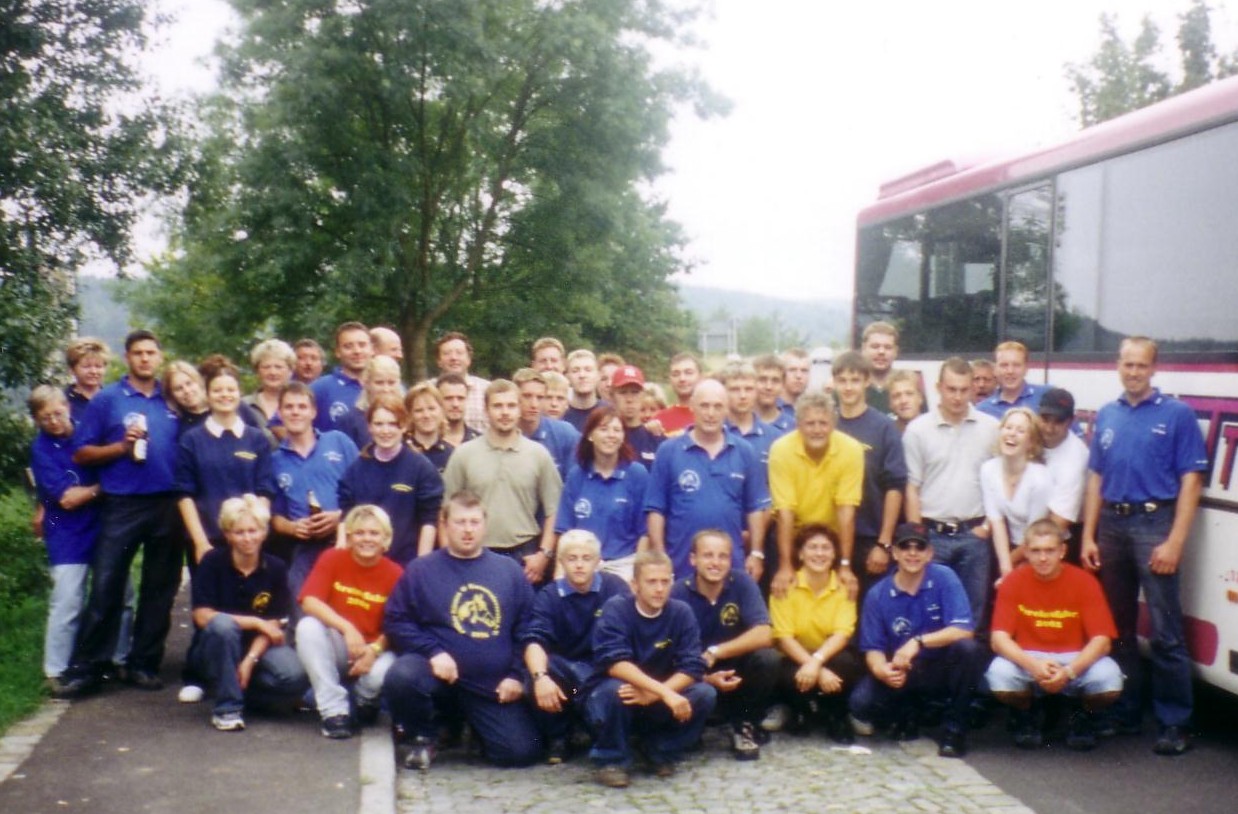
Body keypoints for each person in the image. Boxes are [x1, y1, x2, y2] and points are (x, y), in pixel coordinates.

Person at [1080, 336, 1207, 756]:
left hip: (1155, 524)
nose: (1133, 372)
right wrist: (1089, 534)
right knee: (1117, 628)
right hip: (1112, 526)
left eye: (1141, 365)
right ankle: (1126, 711)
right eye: (1128, 364)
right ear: (1118, 365)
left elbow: (1191, 480)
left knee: (1166, 632)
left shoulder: (1177, 415)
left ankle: (1175, 722)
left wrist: (1175, 541)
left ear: (1154, 368)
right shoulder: (1108, 414)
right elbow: (1096, 478)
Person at [56, 330, 184, 697]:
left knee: (159, 588)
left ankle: (142, 663)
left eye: (150, 352)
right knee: (107, 585)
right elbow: (82, 453)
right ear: (128, 358)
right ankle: (89, 668)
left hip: (167, 502)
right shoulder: (108, 399)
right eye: (138, 353)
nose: (145, 358)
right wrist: (120, 447)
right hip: (122, 502)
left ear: (159, 357)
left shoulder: (171, 397)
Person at [382, 491, 542, 770]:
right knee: (402, 676)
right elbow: (396, 620)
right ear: (445, 524)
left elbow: (528, 627)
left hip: (490, 685)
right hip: (437, 676)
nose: (468, 530)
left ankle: (476, 729)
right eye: (460, 522)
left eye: (474, 522)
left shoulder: (509, 571)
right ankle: (424, 736)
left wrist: (516, 675)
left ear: (484, 525)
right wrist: (433, 652)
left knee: (520, 753)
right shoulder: (421, 570)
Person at [849, 522, 986, 758]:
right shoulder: (877, 594)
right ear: (894, 553)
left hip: (941, 666)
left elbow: (964, 630)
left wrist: (918, 642)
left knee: (968, 650)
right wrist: (882, 671)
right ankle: (909, 712)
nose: (912, 553)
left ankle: (955, 730)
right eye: (905, 547)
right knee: (861, 704)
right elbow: (873, 648)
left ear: (930, 553)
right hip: (904, 669)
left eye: (919, 547)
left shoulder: (945, 577)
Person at [986, 519, 1122, 751]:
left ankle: (1080, 714)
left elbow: (1102, 641)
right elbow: (998, 639)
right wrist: (1033, 666)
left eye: (1050, 550)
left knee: (1108, 679)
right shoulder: (1013, 582)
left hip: (1073, 657)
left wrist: (1069, 672)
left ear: (1062, 551)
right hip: (1030, 656)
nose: (1043, 558)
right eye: (1036, 551)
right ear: (1026, 552)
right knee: (999, 675)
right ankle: (1027, 712)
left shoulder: (1084, 581)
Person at [585, 550, 717, 788]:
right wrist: (664, 693)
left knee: (705, 693)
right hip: (615, 694)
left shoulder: (681, 612)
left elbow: (692, 665)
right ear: (635, 585)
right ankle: (611, 760)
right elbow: (615, 663)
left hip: (656, 694)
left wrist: (656, 694)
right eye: (652, 582)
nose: (659, 589)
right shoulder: (616, 609)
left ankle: (657, 749)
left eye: (665, 582)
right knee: (618, 690)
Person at [186, 494, 308, 731]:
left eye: (253, 531)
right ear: (227, 534)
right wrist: (255, 622)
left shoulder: (276, 567)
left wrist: (250, 661)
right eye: (239, 532)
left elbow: (273, 624)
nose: (247, 538)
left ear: (264, 532)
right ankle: (227, 709)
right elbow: (202, 616)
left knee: (295, 677)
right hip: (215, 646)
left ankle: (238, 690)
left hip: (256, 647)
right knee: (223, 624)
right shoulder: (212, 562)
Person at [902, 357, 999, 628]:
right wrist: (918, 538)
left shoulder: (991, 428)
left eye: (964, 389)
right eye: (951, 389)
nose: (957, 397)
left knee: (971, 617)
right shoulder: (917, 431)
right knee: (928, 613)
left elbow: (999, 483)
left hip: (974, 536)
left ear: (972, 388)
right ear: (938, 388)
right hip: (933, 534)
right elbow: (912, 488)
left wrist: (988, 526)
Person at [296, 504, 404, 739]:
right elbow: (309, 601)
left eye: (374, 533)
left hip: (375, 650)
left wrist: (374, 651)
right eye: (360, 533)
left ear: (386, 539)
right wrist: (347, 628)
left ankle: (364, 701)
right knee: (307, 627)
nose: (367, 539)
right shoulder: (332, 558)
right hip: (341, 646)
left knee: (381, 674)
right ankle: (334, 711)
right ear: (349, 536)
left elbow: (399, 625)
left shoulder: (395, 573)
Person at [523, 530, 631, 763]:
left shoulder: (615, 588)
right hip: (567, 679)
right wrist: (540, 677)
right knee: (536, 676)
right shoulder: (549, 595)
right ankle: (558, 737)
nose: (579, 565)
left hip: (605, 672)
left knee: (608, 704)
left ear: (598, 561)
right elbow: (535, 641)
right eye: (572, 559)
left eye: (586, 558)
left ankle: (602, 736)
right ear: (561, 562)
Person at [645, 378, 770, 580]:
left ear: (726, 409)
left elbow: (755, 508)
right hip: (680, 564)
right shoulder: (668, 450)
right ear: (692, 407)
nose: (711, 413)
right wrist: (660, 556)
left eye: (717, 406)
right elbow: (656, 510)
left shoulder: (745, 451)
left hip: (731, 565)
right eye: (704, 406)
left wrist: (756, 553)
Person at [442, 379, 562, 585]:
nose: (505, 412)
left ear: (519, 409)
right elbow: (444, 511)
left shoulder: (538, 454)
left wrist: (544, 555)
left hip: (525, 556)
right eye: (497, 406)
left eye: (511, 406)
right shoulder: (464, 454)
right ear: (486, 411)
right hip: (476, 552)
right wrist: (449, 557)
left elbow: (555, 510)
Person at [672, 530, 779, 760]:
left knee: (767, 658)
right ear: (693, 559)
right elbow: (671, 653)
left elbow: (764, 633)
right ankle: (695, 723)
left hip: (734, 669)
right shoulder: (678, 592)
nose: (716, 562)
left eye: (723, 556)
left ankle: (744, 723)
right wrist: (705, 677)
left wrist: (716, 652)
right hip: (695, 672)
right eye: (708, 555)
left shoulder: (742, 583)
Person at [28, 386, 102, 694]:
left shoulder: (88, 433)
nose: (54, 421)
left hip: (102, 524)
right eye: (45, 418)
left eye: (58, 413)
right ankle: (56, 670)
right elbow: (68, 498)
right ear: (37, 420)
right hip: (66, 530)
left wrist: (95, 489)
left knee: (120, 593)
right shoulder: (41, 449)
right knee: (68, 599)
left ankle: (118, 658)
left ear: (68, 407)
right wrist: (102, 487)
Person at [175, 363, 277, 566]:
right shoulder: (191, 440)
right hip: (209, 540)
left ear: (239, 393)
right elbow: (184, 495)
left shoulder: (257, 439)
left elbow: (265, 490)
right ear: (207, 394)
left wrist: (256, 534)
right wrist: (200, 543)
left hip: (249, 542)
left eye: (230, 389)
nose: (224, 395)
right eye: (217, 390)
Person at [768, 525, 863, 742]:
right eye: (812, 547)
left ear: (834, 554)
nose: (819, 553)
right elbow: (783, 637)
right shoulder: (783, 587)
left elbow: (842, 633)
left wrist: (817, 662)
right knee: (777, 666)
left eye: (826, 548)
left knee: (847, 662)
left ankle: (836, 714)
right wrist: (816, 668)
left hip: (828, 655)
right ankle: (798, 709)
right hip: (794, 657)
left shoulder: (845, 588)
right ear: (800, 554)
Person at [767, 391, 863, 598]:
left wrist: (845, 564)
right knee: (785, 590)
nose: (817, 430)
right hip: (793, 535)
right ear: (798, 425)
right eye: (810, 424)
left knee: (841, 591)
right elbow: (784, 512)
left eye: (823, 423)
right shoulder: (781, 450)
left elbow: (846, 510)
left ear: (833, 424)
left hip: (832, 538)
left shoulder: (852, 449)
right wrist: (785, 565)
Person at [269, 381, 360, 600]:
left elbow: (366, 491)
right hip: (304, 548)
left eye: (302, 406)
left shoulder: (338, 442)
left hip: (346, 540)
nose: (295, 412)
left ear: (313, 412)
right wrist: (293, 527)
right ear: (280, 413)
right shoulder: (274, 461)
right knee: (301, 603)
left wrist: (340, 516)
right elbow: (274, 517)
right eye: (289, 407)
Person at [831, 351, 907, 601]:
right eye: (842, 380)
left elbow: (895, 487)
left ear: (867, 382)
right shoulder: (826, 425)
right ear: (834, 383)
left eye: (855, 380)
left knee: (871, 611)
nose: (848, 387)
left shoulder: (884, 427)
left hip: (870, 537)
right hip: (831, 537)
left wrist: (884, 543)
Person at [337, 395, 443, 566]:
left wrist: (421, 566)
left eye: (392, 424)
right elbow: (346, 517)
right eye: (379, 424)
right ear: (369, 427)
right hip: (364, 563)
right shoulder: (356, 469)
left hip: (406, 564)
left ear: (404, 426)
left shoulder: (421, 468)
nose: (385, 431)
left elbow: (429, 520)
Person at [555, 406, 649, 580]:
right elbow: (564, 530)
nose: (611, 435)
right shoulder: (576, 475)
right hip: (582, 566)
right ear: (590, 435)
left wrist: (637, 575)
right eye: (603, 429)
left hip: (623, 566)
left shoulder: (637, 474)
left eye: (617, 430)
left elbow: (645, 533)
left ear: (623, 437)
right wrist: (559, 575)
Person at [980, 407, 1053, 579]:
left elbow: (1034, 534)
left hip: (1038, 549)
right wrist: (1005, 567)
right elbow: (996, 521)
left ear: (1031, 442)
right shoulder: (988, 469)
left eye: (1020, 431)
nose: (1012, 434)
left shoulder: (1040, 479)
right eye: (1008, 427)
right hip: (1007, 546)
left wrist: (1011, 567)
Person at [1038, 388, 1089, 556]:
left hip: (1063, 536)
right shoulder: (1028, 438)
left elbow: (1058, 524)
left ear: (1070, 421)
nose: (1049, 428)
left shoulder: (1076, 456)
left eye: (1058, 421)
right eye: (1045, 419)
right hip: (1028, 529)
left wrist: (1014, 559)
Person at [513, 367, 580, 480]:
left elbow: (575, 482)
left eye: (540, 397)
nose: (534, 404)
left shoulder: (565, 434)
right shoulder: (504, 434)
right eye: (527, 396)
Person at [312, 321, 373, 434]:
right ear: (337, 352)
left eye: (362, 345)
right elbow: (282, 423)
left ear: (372, 349)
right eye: (348, 346)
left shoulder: (387, 386)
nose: (357, 351)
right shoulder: (320, 388)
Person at [721, 361, 782, 467]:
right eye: (735, 389)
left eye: (748, 389)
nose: (743, 396)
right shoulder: (714, 434)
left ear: (756, 391)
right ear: (723, 392)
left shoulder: (775, 437)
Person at [977, 341, 1050, 419]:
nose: (1010, 371)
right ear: (995, 369)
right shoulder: (983, 410)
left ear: (1026, 368)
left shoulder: (1046, 396)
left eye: (1016, 365)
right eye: (1004, 365)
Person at [434, 331, 489, 432]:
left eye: (459, 353)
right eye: (447, 353)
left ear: (469, 359)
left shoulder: (486, 389)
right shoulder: (429, 390)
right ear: (438, 361)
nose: (454, 358)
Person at [610, 364, 662, 467]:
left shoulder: (655, 437)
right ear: (612, 396)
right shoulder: (607, 437)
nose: (629, 399)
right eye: (623, 392)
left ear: (643, 395)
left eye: (635, 392)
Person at [244, 338, 296, 432]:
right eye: (266, 367)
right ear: (257, 371)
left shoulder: (301, 405)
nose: (272, 372)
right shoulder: (244, 405)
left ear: (290, 371)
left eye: (278, 367)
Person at [403, 382, 455, 473]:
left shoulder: (452, 455)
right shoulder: (401, 451)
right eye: (419, 410)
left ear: (442, 410)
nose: (426, 415)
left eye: (431, 409)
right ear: (410, 415)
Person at [652, 352, 702, 437]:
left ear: (700, 376)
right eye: (676, 374)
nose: (682, 379)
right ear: (670, 379)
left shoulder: (711, 415)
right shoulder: (659, 421)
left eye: (688, 373)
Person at [63, 337, 110, 422]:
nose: (93, 371)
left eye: (98, 366)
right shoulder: (62, 401)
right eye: (86, 366)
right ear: (72, 369)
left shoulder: (112, 398)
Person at [860, 321, 900, 414]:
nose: (881, 352)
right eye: (875, 347)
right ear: (863, 348)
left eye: (888, 347)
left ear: (896, 351)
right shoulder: (852, 387)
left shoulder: (906, 388)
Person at [563, 349, 608, 432]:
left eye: (588, 370)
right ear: (567, 377)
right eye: (575, 371)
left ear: (598, 375)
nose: (582, 375)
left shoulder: (609, 412)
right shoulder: (560, 413)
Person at [436, 372, 482, 448]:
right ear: (437, 401)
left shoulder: (481, 443)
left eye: (460, 398)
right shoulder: (427, 443)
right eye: (448, 398)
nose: (455, 404)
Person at [753, 354, 794, 433]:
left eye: (775, 381)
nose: (769, 387)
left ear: (783, 385)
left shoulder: (793, 427)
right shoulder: (739, 425)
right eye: (762, 380)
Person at [778, 348, 812, 427]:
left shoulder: (815, 408)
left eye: (804, 371)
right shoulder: (772, 409)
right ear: (782, 373)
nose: (798, 376)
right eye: (792, 370)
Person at [887, 369, 924, 434]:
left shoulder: (934, 430)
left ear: (920, 398)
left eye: (909, 394)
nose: (903, 401)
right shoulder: (885, 434)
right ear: (890, 403)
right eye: (897, 396)